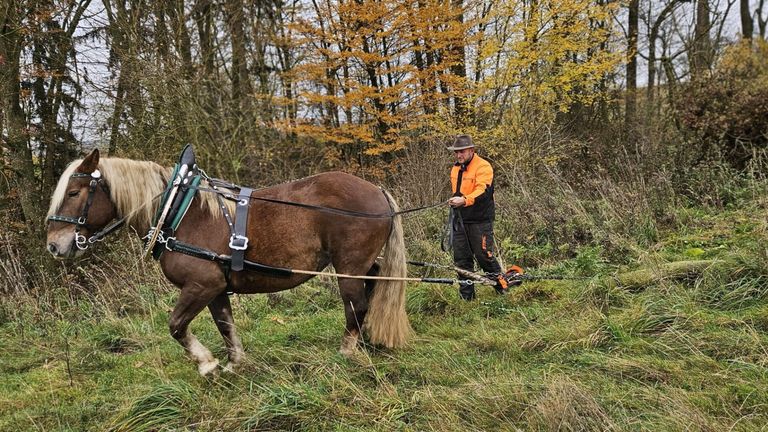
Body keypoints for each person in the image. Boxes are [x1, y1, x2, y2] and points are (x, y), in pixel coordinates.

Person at [446, 135, 507, 300]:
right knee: (461, 260)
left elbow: (483, 191)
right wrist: (454, 200)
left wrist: (464, 200)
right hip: (460, 220)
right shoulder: (455, 169)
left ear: (471, 150)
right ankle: (467, 298)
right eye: (456, 152)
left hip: (480, 220)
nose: (459, 155)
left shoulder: (483, 167)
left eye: (462, 151)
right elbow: (459, 192)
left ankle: (503, 289)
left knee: (484, 256)